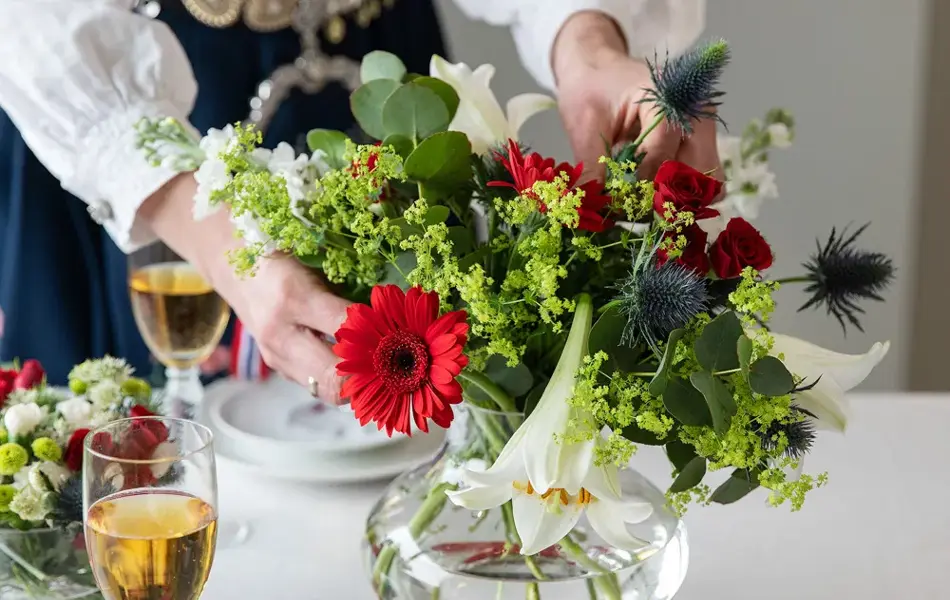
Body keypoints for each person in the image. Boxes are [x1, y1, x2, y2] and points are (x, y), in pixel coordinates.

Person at [0, 0, 717, 400]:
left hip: (385, 76)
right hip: (145, 108)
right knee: (149, 471)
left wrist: (588, 44)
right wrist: (210, 231)